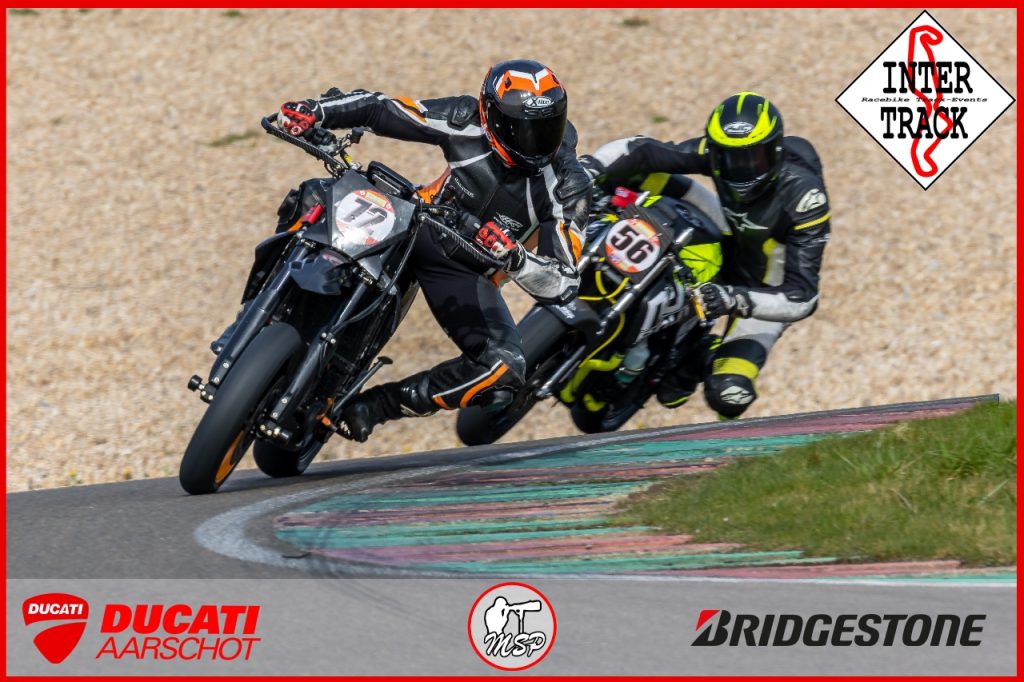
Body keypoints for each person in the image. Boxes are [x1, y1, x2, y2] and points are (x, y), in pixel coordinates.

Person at [275, 60, 591, 441]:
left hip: (467, 269)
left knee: (505, 368)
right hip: (415, 220)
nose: (535, 143)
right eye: (521, 129)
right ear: (490, 116)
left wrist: (516, 259)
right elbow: (382, 108)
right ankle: (262, 309)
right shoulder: (466, 119)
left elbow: (564, 281)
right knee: (314, 195)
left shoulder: (568, 184)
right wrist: (317, 110)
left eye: (546, 128)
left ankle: (376, 405)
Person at [579, 92, 830, 418]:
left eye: (753, 158)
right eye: (728, 157)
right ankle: (592, 230)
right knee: (632, 173)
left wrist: (732, 299)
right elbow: (642, 149)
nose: (740, 169)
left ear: (776, 152)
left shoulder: (805, 198)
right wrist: (587, 170)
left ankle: (698, 358)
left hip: (763, 291)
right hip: (728, 237)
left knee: (730, 394)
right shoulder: (715, 154)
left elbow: (803, 298)